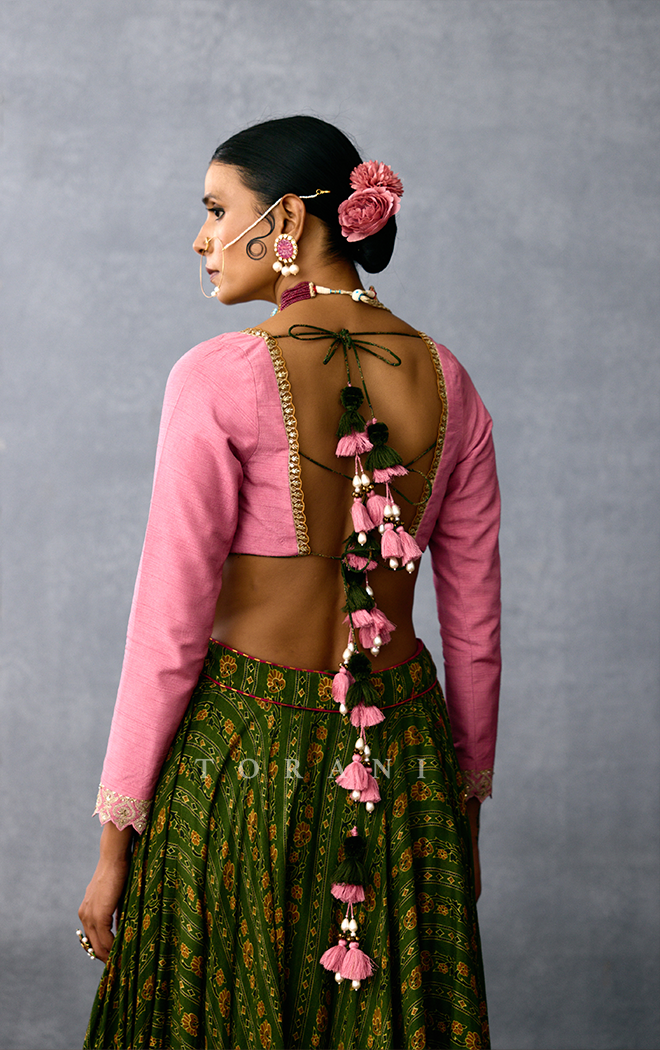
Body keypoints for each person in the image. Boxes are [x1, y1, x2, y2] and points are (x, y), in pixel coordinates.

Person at [78, 115, 500, 1050]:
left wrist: (114, 847)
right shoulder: (449, 381)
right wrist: (463, 819)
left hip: (241, 761)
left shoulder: (217, 376)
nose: (201, 238)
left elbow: (168, 627)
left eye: (215, 209)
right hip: (402, 774)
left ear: (289, 220)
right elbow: (474, 632)